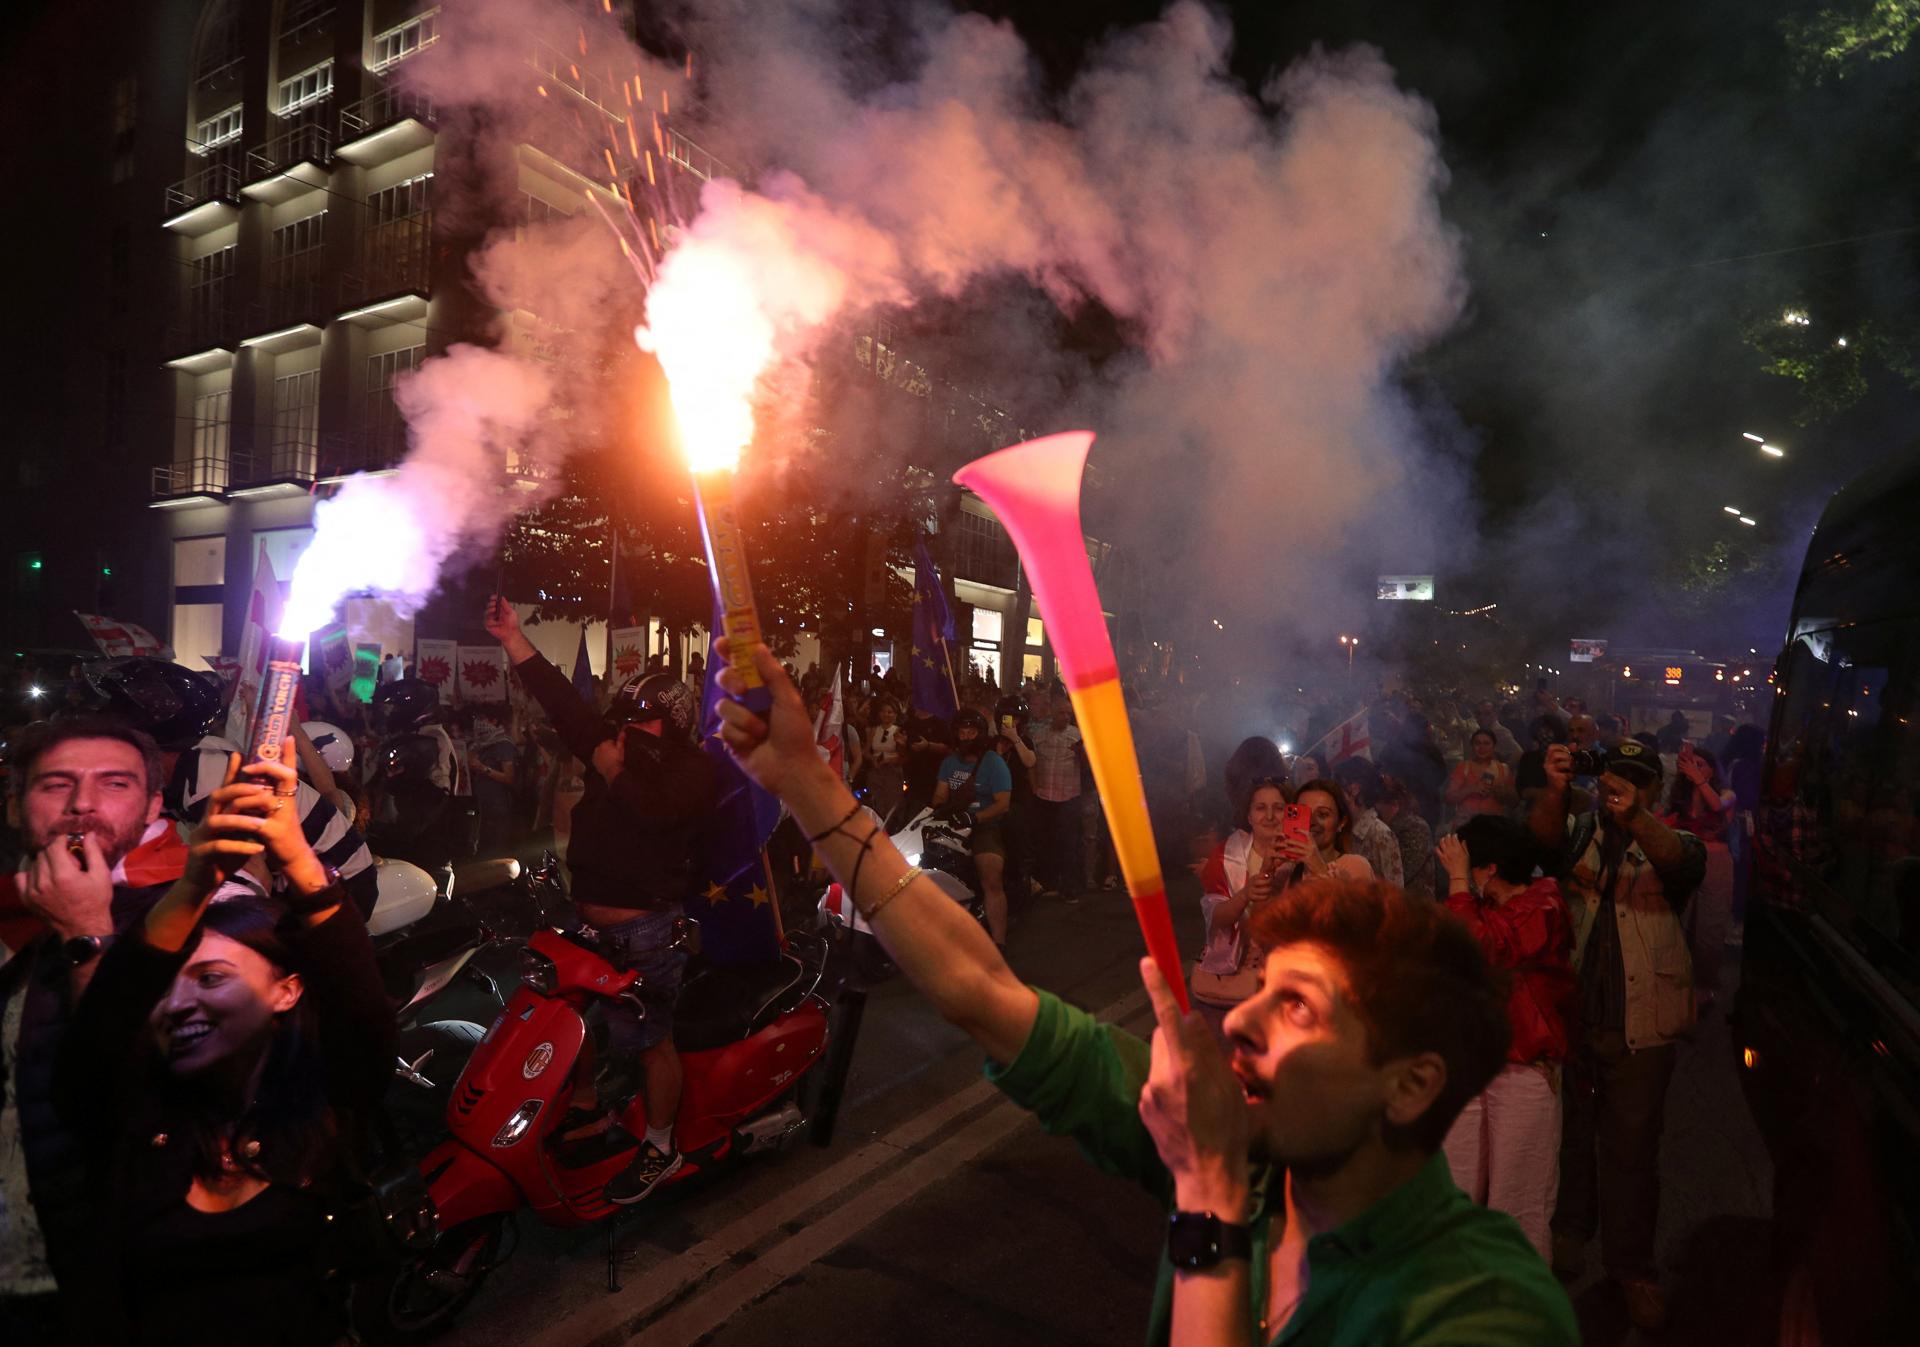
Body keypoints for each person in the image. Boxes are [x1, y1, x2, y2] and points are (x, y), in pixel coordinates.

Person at [705, 640, 1577, 1345]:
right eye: (1263, 989)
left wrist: (1203, 1199)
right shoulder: (1252, 1161)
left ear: (1412, 1081)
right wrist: (810, 785)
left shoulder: (1485, 1304)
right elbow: (978, 988)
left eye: (1299, 1008)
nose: (1238, 1019)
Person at [54, 744, 390, 1345]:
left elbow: (362, 1009)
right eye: (166, 983)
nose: (179, 1002)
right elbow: (103, 1025)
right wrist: (191, 886)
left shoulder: (317, 1104)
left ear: (286, 992)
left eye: (211, 979)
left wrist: (296, 858)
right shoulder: (131, 1109)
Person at [484, 597, 718, 1205]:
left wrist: (615, 771)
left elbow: (657, 814)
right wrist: (514, 638)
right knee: (569, 1021)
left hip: (647, 928)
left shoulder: (692, 770)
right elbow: (563, 702)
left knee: (650, 1040)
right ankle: (594, 1105)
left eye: (633, 722)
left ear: (664, 724)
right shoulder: (611, 744)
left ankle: (661, 1146)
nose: (618, 734)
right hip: (585, 923)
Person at [1, 717, 177, 1342]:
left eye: (113, 783)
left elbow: (159, 1093)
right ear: (16, 802)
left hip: (88, 1284)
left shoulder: (188, 922)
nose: (82, 803)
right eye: (56, 784)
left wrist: (86, 932)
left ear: (153, 805)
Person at [1528, 739, 1703, 1331]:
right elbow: (1542, 843)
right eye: (1613, 779)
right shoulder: (1581, 830)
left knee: (1630, 1153)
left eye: (1635, 780)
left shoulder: (1677, 842)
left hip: (1644, 1025)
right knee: (1572, 1134)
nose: (1619, 788)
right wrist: (1555, 789)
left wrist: (1632, 816)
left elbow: (1678, 862)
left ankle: (1632, 1269)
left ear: (1655, 790)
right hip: (1576, 1015)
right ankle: (1571, 1232)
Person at [1436, 818, 1575, 1261]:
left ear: (1489, 868)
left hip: (1523, 1072)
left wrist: (1458, 880)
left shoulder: (1544, 904)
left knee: (1517, 1204)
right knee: (1453, 1190)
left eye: (1468, 865)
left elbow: (1484, 946)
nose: (1460, 873)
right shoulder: (1481, 906)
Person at [1191, 776, 1287, 1041]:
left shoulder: (1301, 856)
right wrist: (1245, 894)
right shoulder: (1226, 855)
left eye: (1279, 808)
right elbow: (1215, 918)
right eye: (1260, 808)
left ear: (1290, 812)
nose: (1270, 816)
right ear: (1248, 814)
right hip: (1236, 975)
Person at [933, 708, 1014, 946]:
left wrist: (975, 818)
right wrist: (939, 808)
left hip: (984, 827)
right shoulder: (949, 763)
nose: (966, 736)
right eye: (962, 732)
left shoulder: (993, 763)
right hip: (953, 824)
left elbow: (1003, 804)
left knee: (991, 878)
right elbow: (939, 794)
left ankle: (998, 941)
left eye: (971, 731)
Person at [1027, 695, 1085, 900]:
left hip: (1069, 796)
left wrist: (1081, 753)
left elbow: (1088, 766)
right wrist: (1035, 788)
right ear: (1052, 712)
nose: (1065, 717)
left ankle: (1069, 887)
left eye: (1068, 714)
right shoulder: (1039, 735)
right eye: (1061, 713)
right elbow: (1032, 763)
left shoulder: (1077, 736)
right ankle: (1049, 883)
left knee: (1068, 843)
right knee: (1047, 841)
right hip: (1045, 796)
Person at [1277, 778, 1375, 890]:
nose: (1311, 822)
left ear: (1341, 823)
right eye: (1304, 814)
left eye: (1323, 814)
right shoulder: (1288, 872)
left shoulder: (1355, 865)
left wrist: (1318, 868)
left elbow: (1353, 906)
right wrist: (1267, 871)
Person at [1331, 759, 1403, 886]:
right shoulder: (1342, 828)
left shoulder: (1380, 834)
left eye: (1337, 787)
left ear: (1354, 789)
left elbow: (1394, 890)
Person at [467, 707, 519, 851]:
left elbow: (509, 777)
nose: (478, 723)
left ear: (494, 721)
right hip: (482, 804)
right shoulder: (479, 745)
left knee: (498, 847)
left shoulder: (503, 744)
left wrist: (483, 768)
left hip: (498, 805)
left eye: (482, 719)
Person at [1444, 730, 1517, 827]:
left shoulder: (1503, 770)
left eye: (1486, 743)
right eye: (1477, 743)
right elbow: (1449, 798)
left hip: (1494, 825)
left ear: (1494, 746)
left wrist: (1504, 794)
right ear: (1472, 746)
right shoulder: (1464, 767)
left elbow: (1515, 802)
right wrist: (1470, 789)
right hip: (1467, 825)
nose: (1482, 748)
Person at [1378, 780, 1436, 900]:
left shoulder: (1415, 827)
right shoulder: (1386, 829)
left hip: (1415, 906)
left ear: (1394, 804)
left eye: (1378, 810)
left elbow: (1402, 872)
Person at [864, 699, 906, 823]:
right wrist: (873, 759)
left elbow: (903, 755)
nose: (886, 715)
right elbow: (865, 751)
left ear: (895, 714)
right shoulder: (873, 730)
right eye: (883, 712)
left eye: (890, 712)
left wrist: (889, 760)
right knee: (878, 802)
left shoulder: (898, 731)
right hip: (877, 770)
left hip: (892, 771)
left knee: (893, 804)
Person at [1467, 700, 1521, 765]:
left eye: (1487, 713)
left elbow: (1519, 752)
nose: (1482, 717)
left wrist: (1504, 769)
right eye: (1479, 713)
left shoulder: (1500, 732)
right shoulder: (1480, 731)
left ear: (1495, 714)